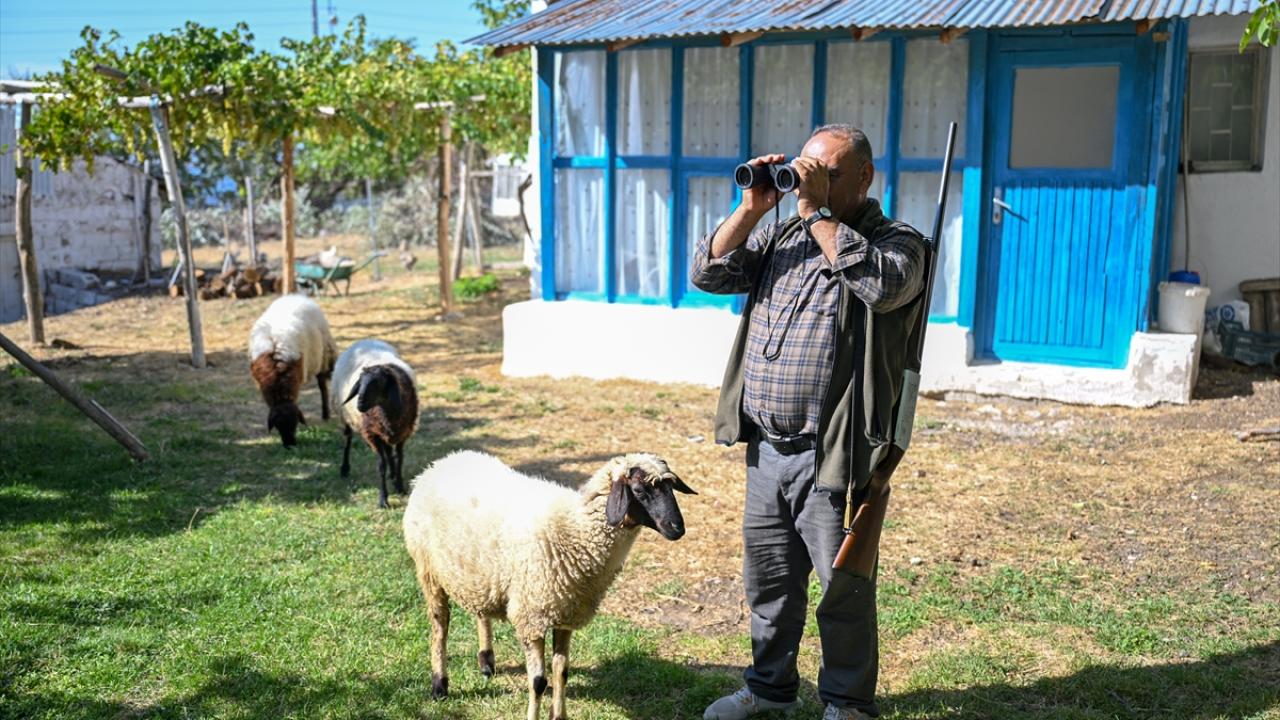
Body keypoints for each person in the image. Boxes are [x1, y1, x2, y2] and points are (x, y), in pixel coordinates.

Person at [692, 124, 927, 720]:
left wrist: (817, 213)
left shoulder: (897, 241)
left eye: (827, 174)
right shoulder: (784, 233)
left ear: (863, 177)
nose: (808, 183)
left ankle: (847, 703)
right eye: (805, 170)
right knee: (769, 580)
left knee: (842, 586)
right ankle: (769, 689)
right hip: (767, 448)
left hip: (836, 452)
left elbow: (883, 287)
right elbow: (707, 272)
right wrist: (752, 208)